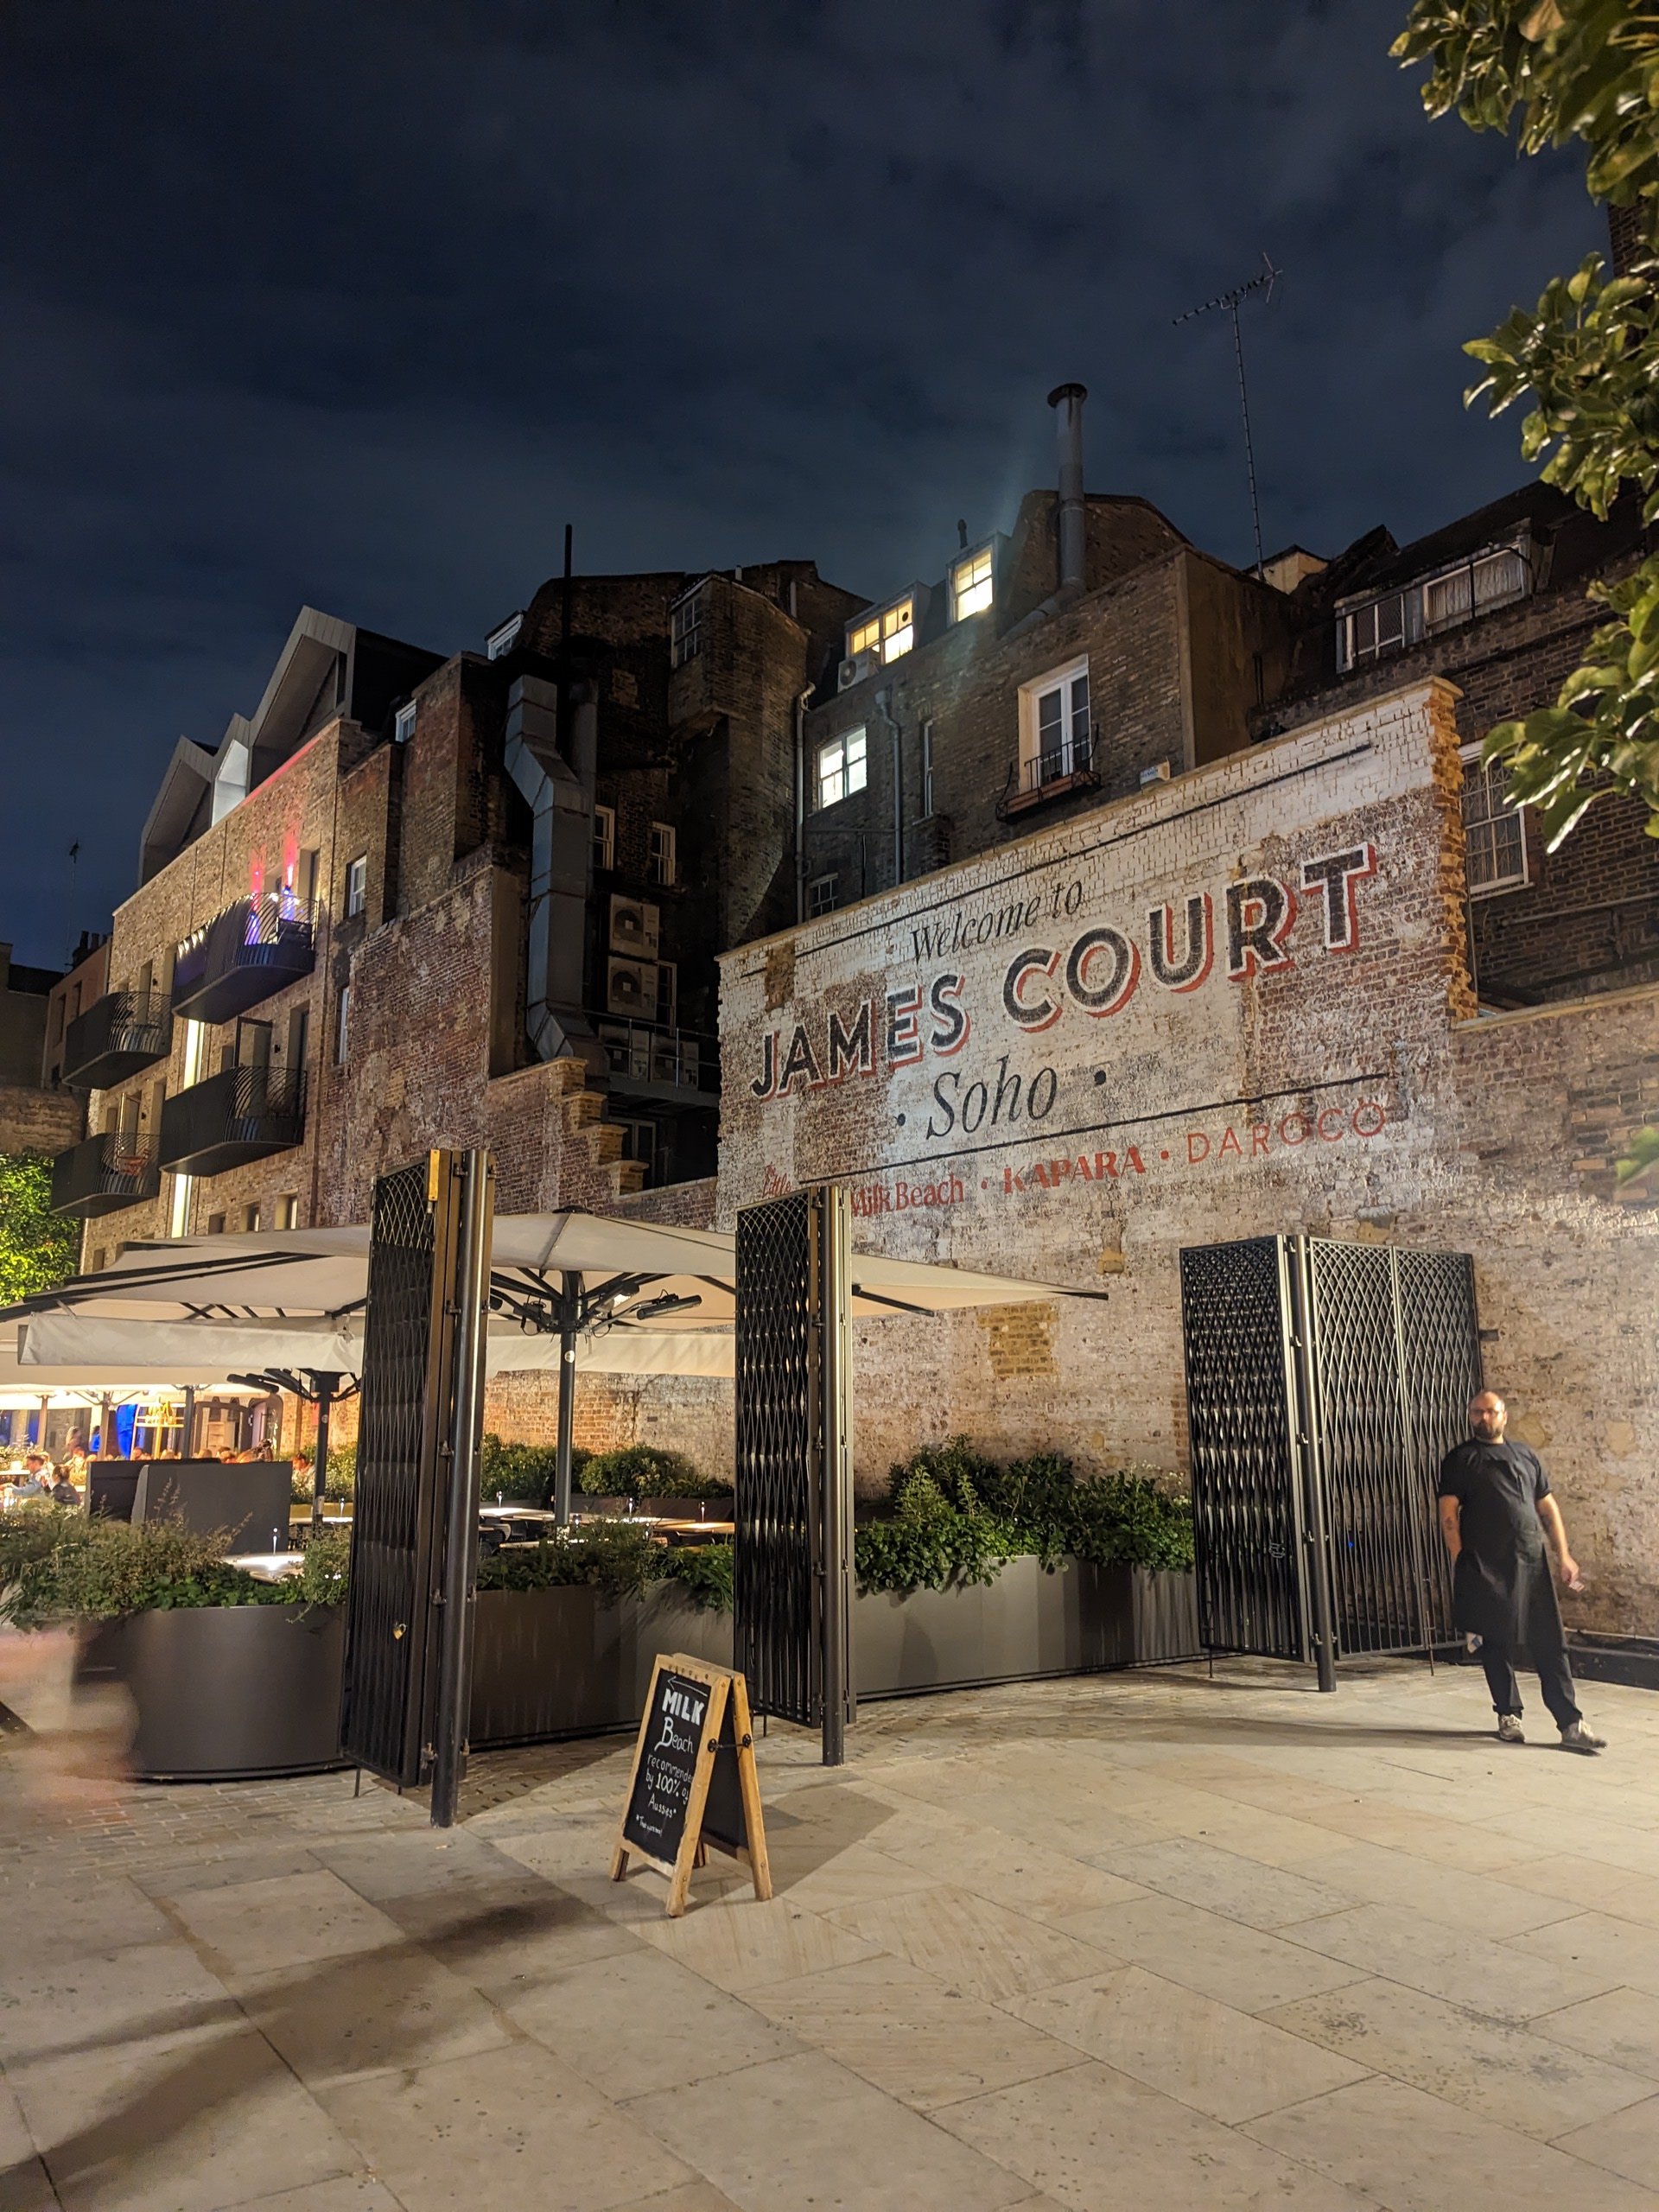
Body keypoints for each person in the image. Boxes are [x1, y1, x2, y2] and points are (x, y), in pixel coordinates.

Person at [1438, 1390, 1605, 1753]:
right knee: (1495, 1641)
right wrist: (1459, 1558)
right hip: (1486, 1565)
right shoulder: (1461, 1459)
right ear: (1470, 1416)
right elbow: (1448, 1513)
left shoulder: (1526, 1456)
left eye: (1490, 1411)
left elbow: (1547, 1508)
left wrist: (1564, 1555)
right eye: (1477, 1412)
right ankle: (1509, 1715)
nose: (1484, 1418)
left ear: (1504, 1416)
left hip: (1531, 1562)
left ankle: (1571, 1722)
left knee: (1551, 1642)